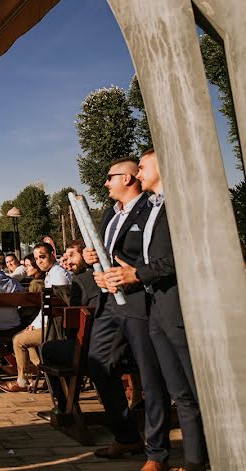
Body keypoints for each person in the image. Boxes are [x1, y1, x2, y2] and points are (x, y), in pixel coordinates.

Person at [105, 149, 208, 471]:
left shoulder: (174, 206)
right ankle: (193, 462)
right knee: (181, 392)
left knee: (193, 390)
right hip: (158, 308)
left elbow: (181, 256)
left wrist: (137, 274)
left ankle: (199, 459)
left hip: (174, 305)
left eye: (145, 166)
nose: (139, 172)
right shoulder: (152, 210)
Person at [83, 157, 171, 469]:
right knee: (98, 365)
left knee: (150, 378)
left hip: (138, 304)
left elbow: (155, 255)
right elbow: (106, 254)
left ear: (129, 178)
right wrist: (91, 257)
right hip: (108, 303)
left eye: (110, 177)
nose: (105, 183)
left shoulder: (151, 209)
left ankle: (158, 452)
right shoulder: (110, 213)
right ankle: (126, 435)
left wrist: (133, 274)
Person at [38, 240, 103, 413]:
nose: (68, 261)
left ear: (87, 254)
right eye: (66, 256)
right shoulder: (110, 275)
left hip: (91, 350)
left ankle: (65, 405)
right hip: (121, 346)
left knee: (47, 348)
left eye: (72, 255)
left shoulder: (82, 281)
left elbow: (72, 326)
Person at [0, 242, 71, 393]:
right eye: (36, 258)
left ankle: (22, 381)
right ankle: (46, 374)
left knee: (18, 340)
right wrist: (34, 324)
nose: (39, 261)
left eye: (42, 257)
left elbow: (54, 308)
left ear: (53, 255)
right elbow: (46, 308)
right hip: (51, 322)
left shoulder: (58, 275)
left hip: (58, 327)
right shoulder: (52, 273)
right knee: (26, 336)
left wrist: (37, 324)